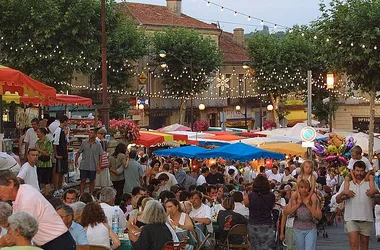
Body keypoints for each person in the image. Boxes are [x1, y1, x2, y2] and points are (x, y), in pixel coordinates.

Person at [0, 170, 75, 249]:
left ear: (11, 183)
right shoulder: (24, 190)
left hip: (57, 243)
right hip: (52, 242)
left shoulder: (27, 199)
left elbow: (21, 235)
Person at [336, 161, 379, 250]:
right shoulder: (347, 182)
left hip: (366, 218)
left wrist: (375, 191)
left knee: (364, 245)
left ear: (364, 171)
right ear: (353, 171)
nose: (359, 173)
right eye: (357, 170)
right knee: (353, 245)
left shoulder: (370, 182)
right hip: (351, 218)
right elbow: (337, 199)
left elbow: (378, 200)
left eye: (361, 171)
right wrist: (344, 192)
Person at [282, 179, 321, 250]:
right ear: (298, 188)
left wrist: (308, 205)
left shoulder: (313, 198)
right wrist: (296, 206)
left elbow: (319, 215)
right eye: (302, 187)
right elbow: (285, 213)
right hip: (298, 228)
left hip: (310, 228)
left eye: (306, 187)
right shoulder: (294, 198)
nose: (304, 190)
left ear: (309, 188)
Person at [245, 174, 275, 250]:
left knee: (255, 246)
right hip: (267, 224)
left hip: (253, 224)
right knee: (267, 246)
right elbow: (272, 206)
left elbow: (246, 204)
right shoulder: (271, 195)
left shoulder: (251, 195)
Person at [75, 129, 103, 196]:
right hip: (84, 164)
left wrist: (99, 166)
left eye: (92, 133)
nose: (90, 134)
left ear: (95, 135)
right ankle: (81, 194)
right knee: (83, 180)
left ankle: (91, 194)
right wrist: (76, 160)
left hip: (93, 165)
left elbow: (100, 155)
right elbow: (79, 152)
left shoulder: (98, 144)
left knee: (92, 180)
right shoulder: (84, 142)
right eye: (90, 133)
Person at [52, 115, 69, 196]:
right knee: (58, 172)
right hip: (60, 154)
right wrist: (56, 154)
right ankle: (56, 189)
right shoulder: (58, 130)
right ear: (65, 121)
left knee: (62, 172)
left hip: (64, 154)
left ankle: (60, 187)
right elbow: (55, 143)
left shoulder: (63, 130)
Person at [35, 127, 53, 196]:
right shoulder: (37, 142)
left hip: (46, 164)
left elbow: (49, 153)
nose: (37, 134)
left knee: (46, 180)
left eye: (38, 132)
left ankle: (47, 195)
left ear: (42, 133)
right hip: (39, 163)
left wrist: (39, 150)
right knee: (38, 180)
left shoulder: (48, 141)